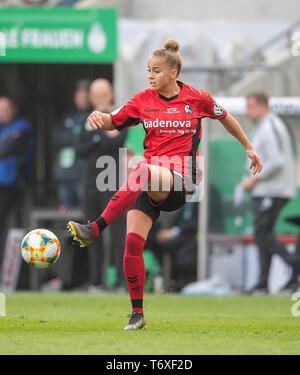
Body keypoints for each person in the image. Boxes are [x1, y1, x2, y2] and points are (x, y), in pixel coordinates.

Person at [67, 38, 262, 330]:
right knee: (132, 244)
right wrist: (99, 117)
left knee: (141, 169)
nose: (150, 75)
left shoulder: (197, 98)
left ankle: (95, 228)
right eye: (148, 70)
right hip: (152, 181)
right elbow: (114, 121)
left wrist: (248, 146)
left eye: (156, 70)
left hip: (182, 179)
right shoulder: (142, 100)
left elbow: (226, 117)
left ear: (173, 73)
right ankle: (137, 314)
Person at [242, 92, 298, 294]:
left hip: (273, 190)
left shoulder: (272, 125)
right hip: (266, 190)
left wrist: (254, 179)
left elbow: (277, 160)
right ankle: (263, 282)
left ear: (262, 106)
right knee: (261, 235)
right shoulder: (264, 126)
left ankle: (295, 267)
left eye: (250, 107)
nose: (247, 113)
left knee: (263, 234)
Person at [75, 79, 127, 291]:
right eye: (96, 95)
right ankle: (96, 281)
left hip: (110, 182)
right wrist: (99, 137)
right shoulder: (86, 120)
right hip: (90, 184)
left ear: (111, 95)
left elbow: (115, 142)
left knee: (117, 233)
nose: (100, 99)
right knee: (90, 231)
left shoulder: (118, 117)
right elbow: (80, 148)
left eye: (103, 94)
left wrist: (97, 136)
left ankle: (119, 282)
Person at [0, 96, 34, 266]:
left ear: (13, 109)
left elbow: (5, 148)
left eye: (6, 108)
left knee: (6, 225)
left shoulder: (21, 127)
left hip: (10, 185)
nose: (2, 112)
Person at [53, 80, 90, 209]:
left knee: (86, 211)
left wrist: (75, 141)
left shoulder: (94, 116)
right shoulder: (67, 117)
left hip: (84, 174)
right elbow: (57, 138)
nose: (82, 99)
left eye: (85, 95)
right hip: (65, 173)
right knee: (66, 212)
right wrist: (77, 139)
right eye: (79, 95)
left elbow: (91, 141)